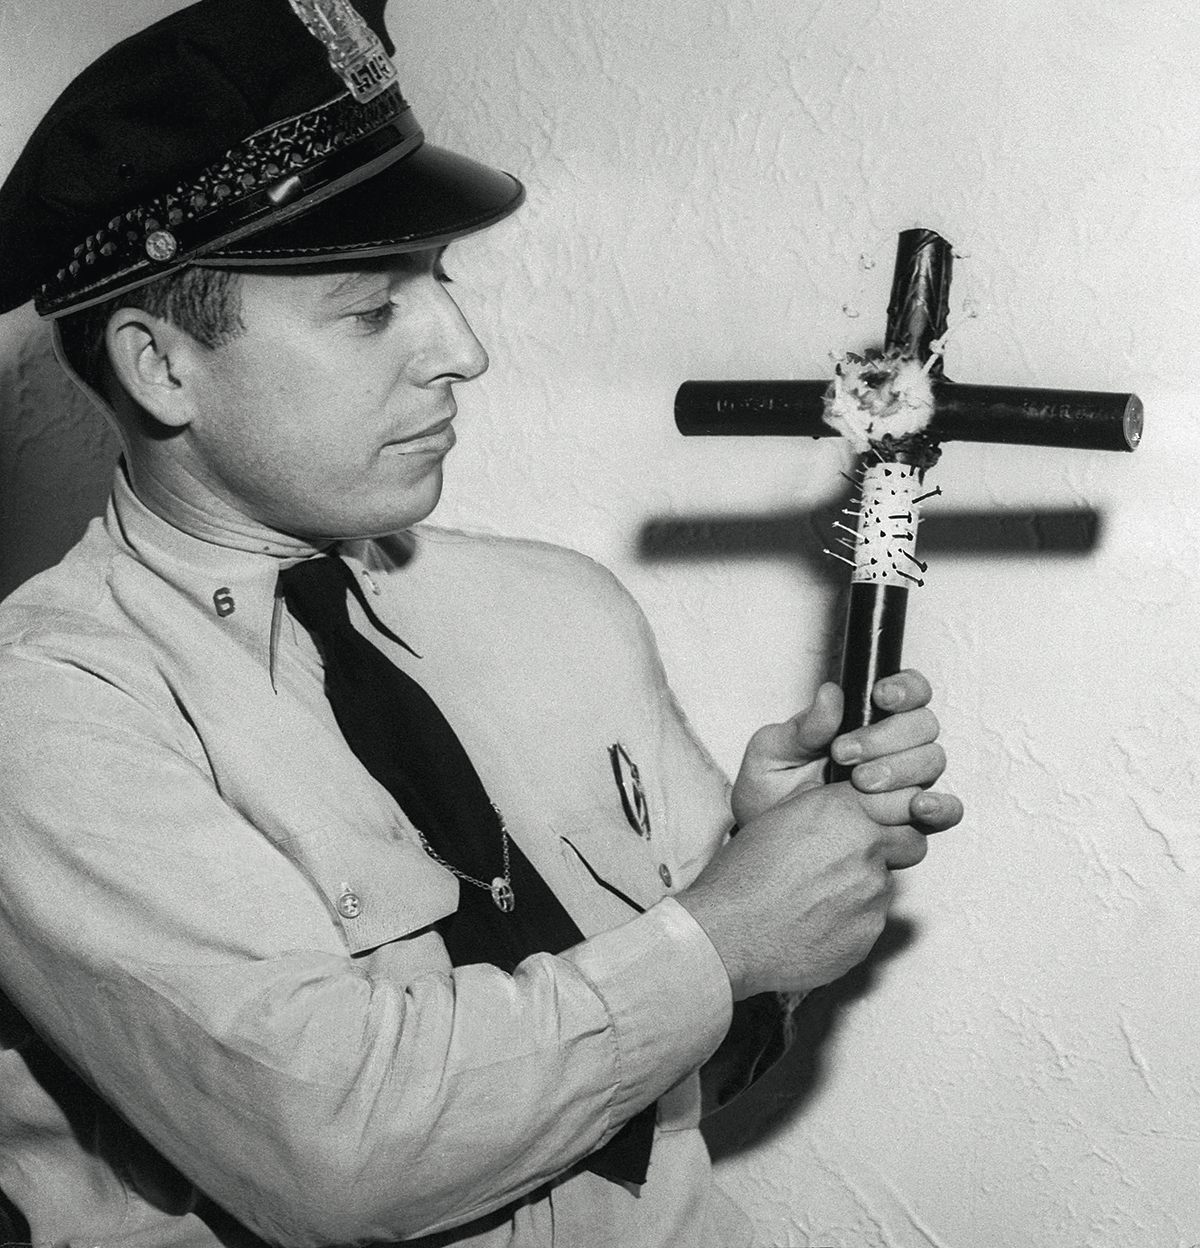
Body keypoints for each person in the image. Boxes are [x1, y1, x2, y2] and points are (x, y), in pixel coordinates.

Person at [0, 1, 962, 1245]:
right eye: (371, 309)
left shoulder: (560, 609)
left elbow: (680, 1086)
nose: (464, 349)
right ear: (160, 365)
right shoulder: (52, 712)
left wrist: (774, 886)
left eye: (442, 283)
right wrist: (720, 939)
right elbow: (335, 1157)